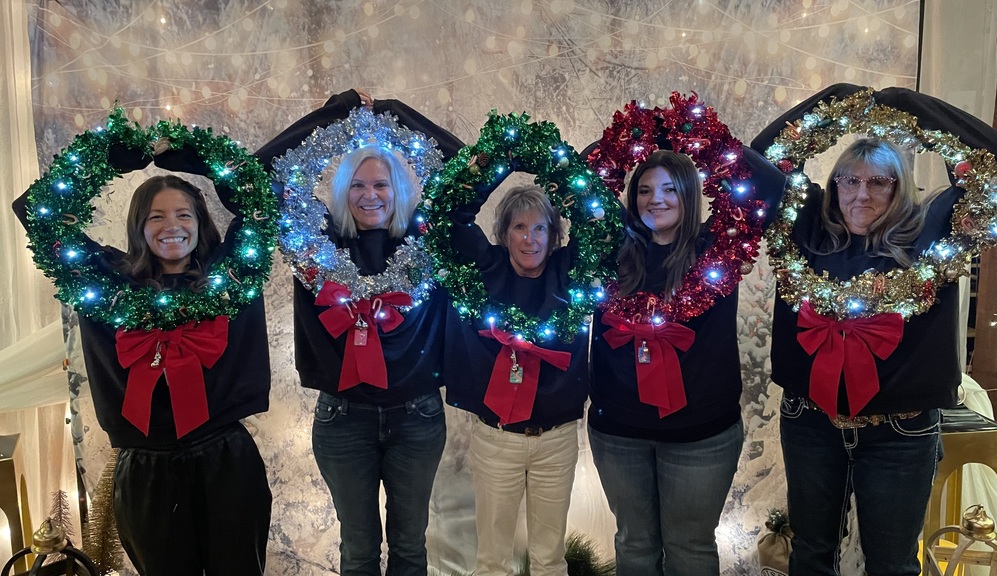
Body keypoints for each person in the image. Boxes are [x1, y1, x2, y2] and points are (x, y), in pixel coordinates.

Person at [752, 82, 997, 576]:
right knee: (811, 555)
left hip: (902, 431)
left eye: (879, 182)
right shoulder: (807, 228)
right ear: (834, 185)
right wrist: (838, 99)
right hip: (811, 421)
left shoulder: (933, 233)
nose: (861, 194)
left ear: (900, 188)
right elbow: (759, 158)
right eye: (849, 181)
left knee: (893, 565)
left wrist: (906, 105)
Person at [15, 166, 274, 576]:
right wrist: (122, 151)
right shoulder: (105, 282)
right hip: (146, 470)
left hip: (226, 459)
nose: (172, 226)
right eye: (156, 216)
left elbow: (261, 192)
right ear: (139, 226)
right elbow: (33, 209)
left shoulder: (230, 276)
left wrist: (188, 154)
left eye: (184, 214)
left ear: (200, 222)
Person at [255, 89, 461, 576]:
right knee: (359, 549)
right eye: (358, 185)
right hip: (343, 419)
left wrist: (392, 112)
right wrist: (338, 111)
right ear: (342, 191)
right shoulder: (315, 241)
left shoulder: (428, 239)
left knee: (410, 546)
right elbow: (259, 173)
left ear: (399, 189)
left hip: (417, 416)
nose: (371, 195)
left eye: (382, 184)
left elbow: (463, 165)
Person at [587, 149, 782, 576]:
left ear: (690, 193)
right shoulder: (607, 246)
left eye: (670, 189)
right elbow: (578, 175)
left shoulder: (719, 246)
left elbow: (771, 185)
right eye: (644, 190)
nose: (655, 199)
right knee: (634, 545)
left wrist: (700, 135)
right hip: (618, 433)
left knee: (689, 550)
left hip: (701, 437)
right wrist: (637, 131)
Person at [443, 185, 590, 576]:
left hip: (556, 440)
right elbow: (453, 215)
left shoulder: (569, 271)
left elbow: (603, 222)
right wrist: (500, 160)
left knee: (549, 560)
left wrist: (560, 171)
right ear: (504, 234)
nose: (530, 238)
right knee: (493, 561)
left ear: (554, 235)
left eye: (540, 228)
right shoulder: (487, 269)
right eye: (519, 227)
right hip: (497, 440)